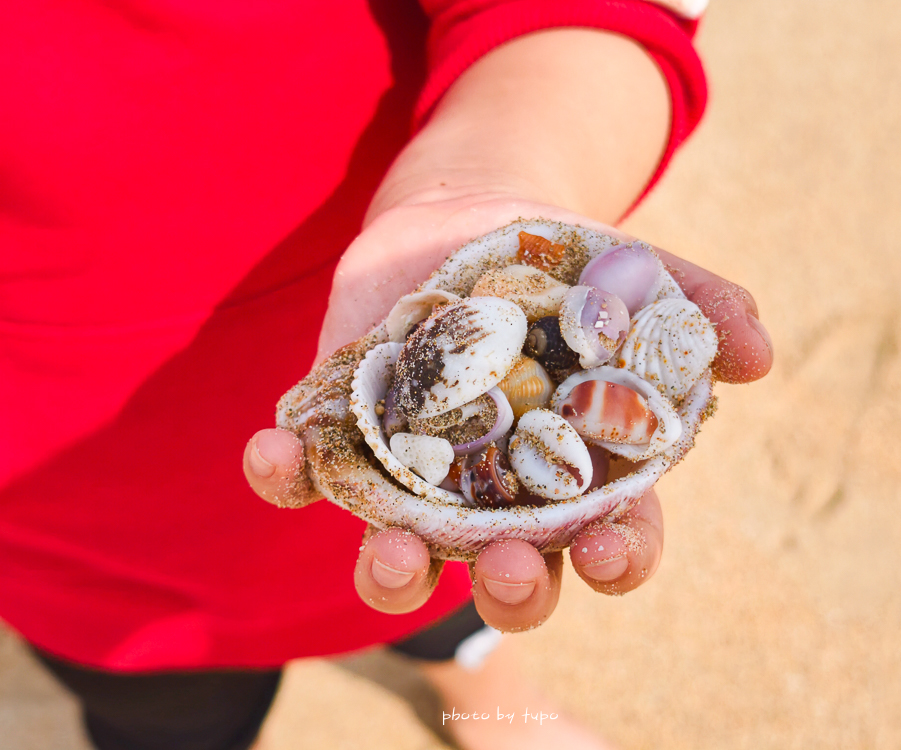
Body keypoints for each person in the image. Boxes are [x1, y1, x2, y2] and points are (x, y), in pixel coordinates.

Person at [0, 0, 773, 748]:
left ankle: (490, 710)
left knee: (449, 607)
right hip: (75, 536)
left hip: (378, 321)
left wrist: (489, 168)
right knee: (168, 714)